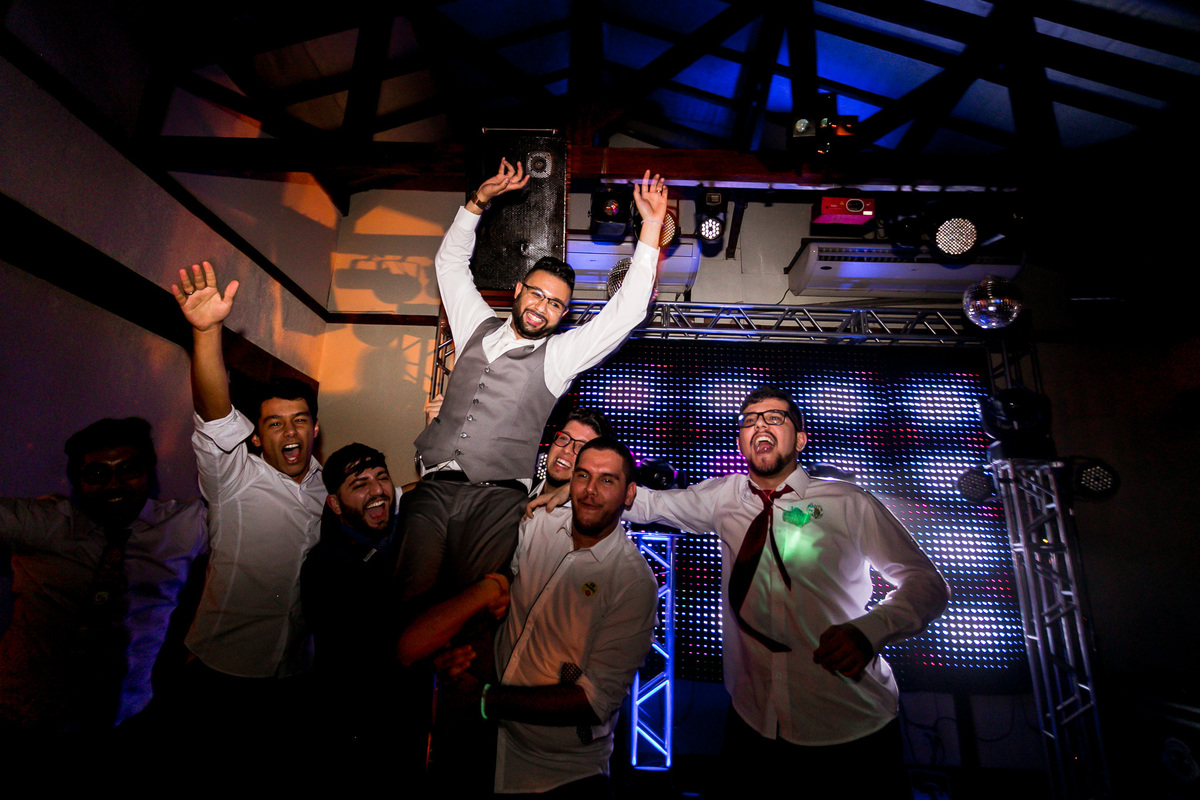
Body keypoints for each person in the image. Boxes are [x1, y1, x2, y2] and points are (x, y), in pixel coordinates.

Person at [544, 385, 950, 795]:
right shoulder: (725, 496)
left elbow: (927, 583)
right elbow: (649, 503)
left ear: (800, 439)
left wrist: (870, 630)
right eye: (750, 420)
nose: (761, 426)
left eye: (775, 418)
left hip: (850, 723)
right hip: (754, 720)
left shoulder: (847, 502)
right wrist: (580, 489)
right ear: (741, 440)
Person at [397, 160, 668, 610]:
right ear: (518, 290)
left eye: (556, 304)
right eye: (537, 294)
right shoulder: (474, 325)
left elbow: (626, 313)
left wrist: (652, 228)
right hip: (433, 487)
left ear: (564, 314)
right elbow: (449, 264)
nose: (542, 308)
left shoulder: (559, 357)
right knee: (408, 608)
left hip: (497, 498)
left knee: (471, 610)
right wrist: (478, 202)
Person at [399, 438, 658, 797]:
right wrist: (457, 650)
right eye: (583, 476)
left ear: (629, 494)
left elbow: (594, 701)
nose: (591, 490)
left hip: (559, 774)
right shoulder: (539, 525)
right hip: (489, 748)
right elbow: (506, 602)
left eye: (607, 480)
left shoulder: (633, 582)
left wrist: (486, 700)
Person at [170, 262, 325, 749]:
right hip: (220, 674)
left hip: (293, 675)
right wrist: (206, 333)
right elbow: (215, 413)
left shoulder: (330, 489)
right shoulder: (233, 477)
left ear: (315, 429)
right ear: (256, 436)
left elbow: (389, 498)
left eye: (300, 420)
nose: (290, 431)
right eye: (275, 423)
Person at [0, 417, 206, 738]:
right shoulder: (41, 524)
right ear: (77, 480)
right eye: (97, 474)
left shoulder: (185, 524)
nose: (114, 485)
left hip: (132, 718)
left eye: (128, 470)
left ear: (149, 472)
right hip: (23, 716)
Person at [300, 443, 411, 758]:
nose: (378, 491)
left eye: (382, 478)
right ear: (335, 504)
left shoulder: (396, 536)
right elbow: (376, 652)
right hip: (354, 727)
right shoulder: (326, 567)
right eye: (360, 484)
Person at [532, 406, 611, 499]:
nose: (567, 450)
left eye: (581, 447)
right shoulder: (522, 486)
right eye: (564, 438)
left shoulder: (588, 507)